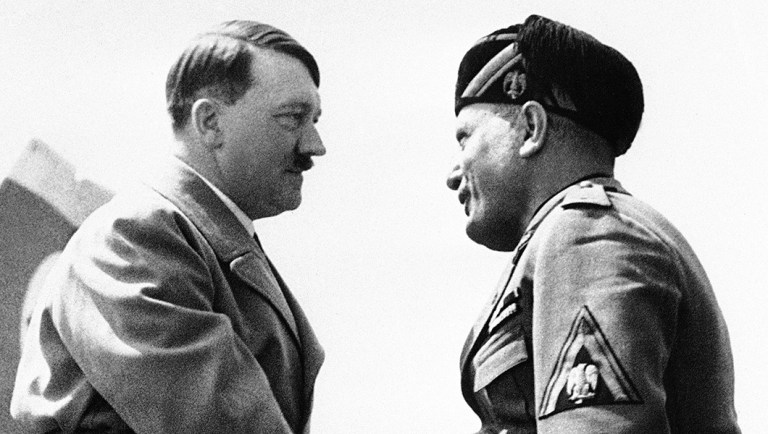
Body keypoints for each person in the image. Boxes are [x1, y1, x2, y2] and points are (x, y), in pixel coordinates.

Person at [11, 20, 326, 433]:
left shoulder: (198, 238)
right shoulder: (135, 236)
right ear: (210, 122)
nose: (314, 146)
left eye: (315, 120)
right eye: (292, 118)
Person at [447, 14, 740, 433]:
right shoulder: (586, 231)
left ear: (531, 128)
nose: (454, 173)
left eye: (465, 138)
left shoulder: (585, 233)